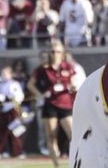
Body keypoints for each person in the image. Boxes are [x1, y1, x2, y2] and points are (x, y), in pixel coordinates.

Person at [26, 39, 76, 168]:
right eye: (53, 51)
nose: (55, 54)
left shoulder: (68, 66)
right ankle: (56, 165)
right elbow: (30, 85)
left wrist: (73, 87)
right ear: (49, 53)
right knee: (51, 136)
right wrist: (40, 94)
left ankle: (76, 161)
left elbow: (73, 82)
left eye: (58, 51)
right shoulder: (43, 68)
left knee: (73, 135)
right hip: (50, 105)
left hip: (65, 103)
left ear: (62, 52)